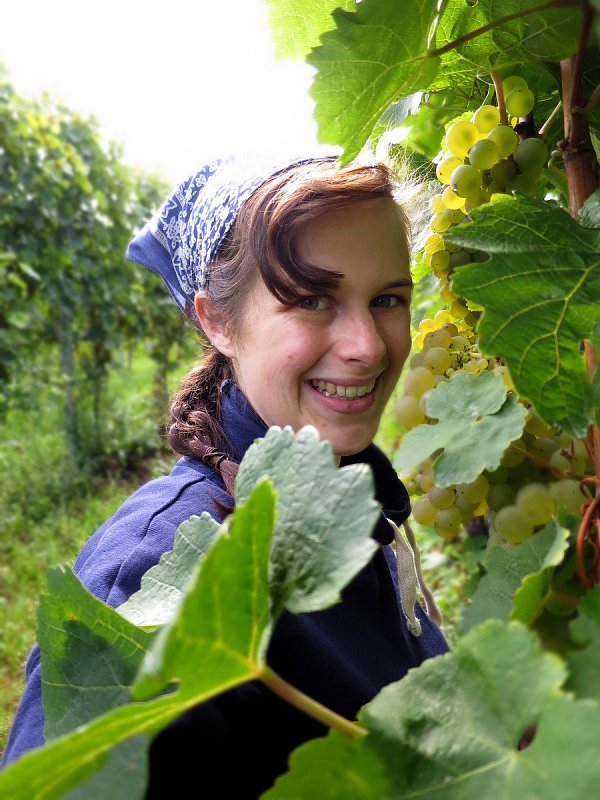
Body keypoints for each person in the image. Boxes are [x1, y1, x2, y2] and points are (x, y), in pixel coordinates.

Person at [2, 152, 449, 796]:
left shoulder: (344, 492)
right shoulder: (149, 576)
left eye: (387, 299)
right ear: (216, 322)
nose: (369, 346)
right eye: (313, 300)